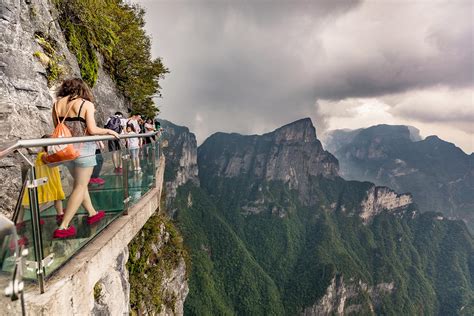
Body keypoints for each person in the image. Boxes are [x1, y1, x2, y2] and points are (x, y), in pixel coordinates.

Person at [52, 78, 119, 238]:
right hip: (84, 151)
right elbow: (92, 129)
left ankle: (92, 213)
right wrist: (109, 132)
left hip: (65, 151)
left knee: (79, 185)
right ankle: (63, 227)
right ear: (82, 89)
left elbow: (57, 129)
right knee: (80, 186)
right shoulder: (86, 104)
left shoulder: (56, 105)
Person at [21, 135, 65, 222]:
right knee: (42, 201)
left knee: (57, 197)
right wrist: (63, 158)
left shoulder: (48, 154)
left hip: (53, 179)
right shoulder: (43, 155)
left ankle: (60, 214)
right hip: (46, 181)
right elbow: (51, 164)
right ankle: (35, 218)